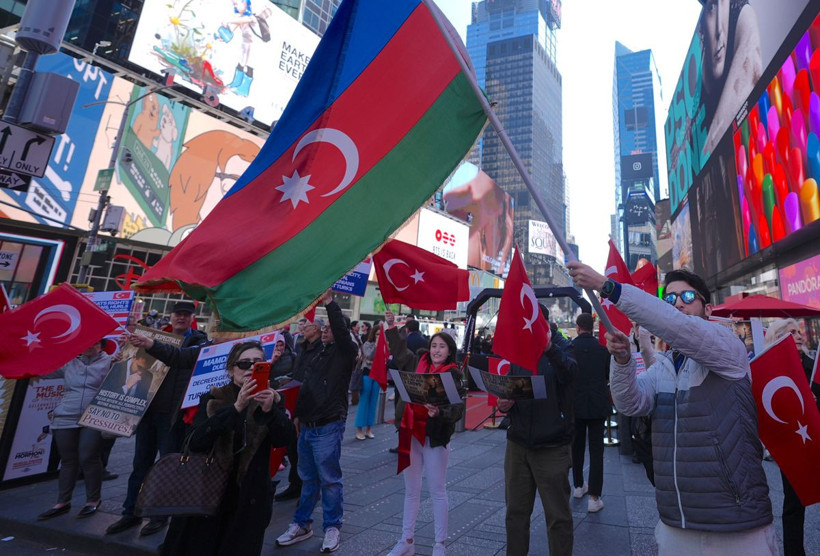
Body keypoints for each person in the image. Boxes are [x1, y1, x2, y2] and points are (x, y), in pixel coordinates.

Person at [568, 262, 776, 555]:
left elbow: (680, 328)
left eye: (687, 297)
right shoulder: (664, 366)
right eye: (670, 299)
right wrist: (623, 360)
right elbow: (630, 403)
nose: (677, 303)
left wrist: (607, 287)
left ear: (708, 309)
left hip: (737, 526)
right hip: (676, 523)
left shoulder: (728, 347)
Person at [161, 341, 295, 556]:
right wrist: (236, 407)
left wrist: (270, 411)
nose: (250, 368)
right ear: (231, 369)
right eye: (244, 364)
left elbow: (284, 440)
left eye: (258, 364)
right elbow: (196, 442)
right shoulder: (213, 398)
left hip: (249, 496)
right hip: (209, 492)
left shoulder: (272, 399)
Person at [106, 301, 208, 537]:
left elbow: (179, 357)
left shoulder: (198, 342)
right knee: (140, 465)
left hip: (172, 416)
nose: (181, 318)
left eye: (186, 315)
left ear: (192, 318)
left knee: (166, 467)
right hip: (147, 411)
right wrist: (121, 357)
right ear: (170, 316)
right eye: (178, 314)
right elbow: (132, 364)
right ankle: (130, 513)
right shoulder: (152, 336)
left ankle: (159, 516)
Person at [276, 290, 357, 553]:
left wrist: (330, 302)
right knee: (308, 478)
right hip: (307, 424)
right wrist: (298, 415)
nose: (324, 331)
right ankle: (301, 524)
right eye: (323, 327)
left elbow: (341, 332)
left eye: (330, 328)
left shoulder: (346, 352)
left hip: (328, 424)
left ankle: (332, 527)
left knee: (329, 479)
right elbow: (305, 384)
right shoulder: (316, 352)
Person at [496, 304, 577, 556]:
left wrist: (550, 348)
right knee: (515, 513)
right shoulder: (518, 350)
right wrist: (505, 403)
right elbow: (511, 387)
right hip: (518, 442)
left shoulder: (562, 346)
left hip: (552, 445)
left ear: (542, 323)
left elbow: (570, 372)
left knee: (558, 516)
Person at [383, 309, 465, 556]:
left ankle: (439, 545)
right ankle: (406, 540)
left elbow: (457, 409)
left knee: (437, 491)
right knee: (411, 491)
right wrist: (391, 327)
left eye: (442, 347)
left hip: (435, 437)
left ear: (449, 351)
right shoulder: (417, 362)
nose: (436, 350)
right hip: (410, 431)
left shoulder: (453, 374)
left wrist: (438, 412)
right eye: (434, 346)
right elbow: (399, 353)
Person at [37, 339, 115, 520]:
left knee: (88, 456)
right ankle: (62, 502)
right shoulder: (69, 361)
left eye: (95, 343)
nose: (89, 346)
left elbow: (130, 372)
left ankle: (93, 500)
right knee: (68, 460)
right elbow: (43, 371)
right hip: (65, 416)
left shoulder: (110, 362)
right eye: (86, 342)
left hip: (94, 415)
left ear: (102, 346)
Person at [764, 318, 819, 556]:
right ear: (777, 339)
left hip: (816, 438)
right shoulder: (770, 370)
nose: (799, 336)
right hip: (792, 444)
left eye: (798, 332)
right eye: (791, 332)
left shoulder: (813, 367)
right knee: (794, 504)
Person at [699, 0, 762, 155]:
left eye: (723, 2)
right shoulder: (698, 67)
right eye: (711, 7)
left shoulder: (742, 13)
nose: (719, 31)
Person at [570, 312, 610, 513]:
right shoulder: (603, 351)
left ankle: (578, 486)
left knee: (576, 447)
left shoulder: (569, 349)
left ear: (578, 327)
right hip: (597, 404)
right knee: (596, 451)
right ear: (592, 326)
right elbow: (608, 376)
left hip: (575, 405)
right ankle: (594, 497)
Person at [355, 321, 382, 440]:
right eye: (377, 334)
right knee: (364, 401)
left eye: (381, 334)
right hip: (367, 374)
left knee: (373, 402)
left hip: (378, 375)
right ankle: (359, 429)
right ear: (373, 334)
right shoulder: (367, 344)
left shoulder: (385, 345)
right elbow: (368, 356)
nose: (379, 336)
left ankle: (369, 429)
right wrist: (376, 345)